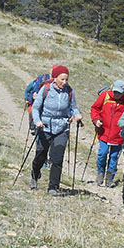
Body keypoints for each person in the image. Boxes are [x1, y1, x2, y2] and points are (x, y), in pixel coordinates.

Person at [30, 65, 83, 195]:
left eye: (66, 79)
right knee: (40, 155)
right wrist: (37, 121)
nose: (64, 82)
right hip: (45, 126)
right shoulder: (46, 89)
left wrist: (77, 115)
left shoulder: (69, 91)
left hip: (62, 128)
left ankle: (53, 187)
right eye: (62, 79)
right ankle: (34, 175)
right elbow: (36, 108)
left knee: (57, 158)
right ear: (55, 78)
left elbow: (74, 107)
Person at [90, 80, 124, 186]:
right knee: (102, 154)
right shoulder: (105, 96)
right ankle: (100, 172)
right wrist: (96, 120)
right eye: (115, 92)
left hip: (118, 135)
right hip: (104, 132)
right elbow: (95, 108)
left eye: (119, 92)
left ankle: (110, 178)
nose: (116, 94)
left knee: (114, 157)